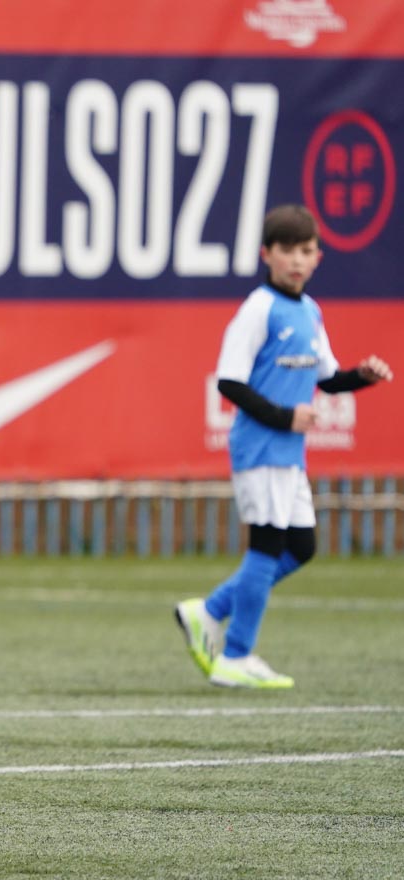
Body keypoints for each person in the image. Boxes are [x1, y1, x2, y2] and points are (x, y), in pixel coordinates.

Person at [175, 204, 391, 689]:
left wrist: (361, 376)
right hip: (259, 446)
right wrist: (286, 416)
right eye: (287, 250)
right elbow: (229, 382)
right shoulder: (258, 308)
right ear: (266, 255)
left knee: (302, 547)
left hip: (288, 453)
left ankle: (208, 611)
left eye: (307, 250)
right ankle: (236, 655)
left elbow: (327, 379)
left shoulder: (310, 311)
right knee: (268, 547)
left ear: (319, 256)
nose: (297, 259)